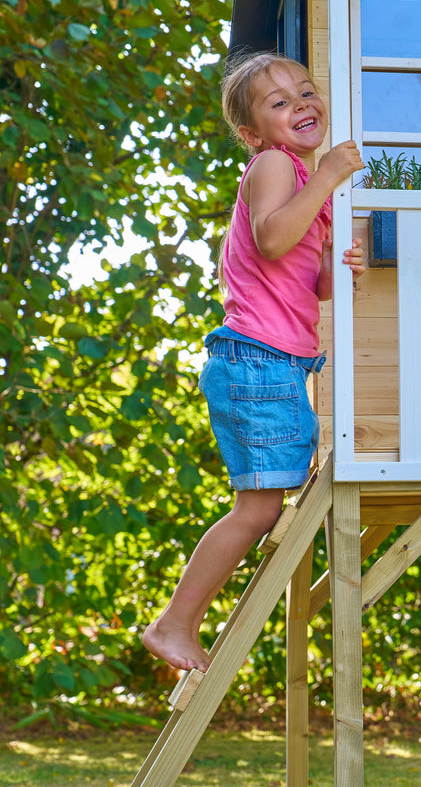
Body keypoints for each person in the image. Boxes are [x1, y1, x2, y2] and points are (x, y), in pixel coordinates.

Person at [142, 53, 365, 673]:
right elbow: (271, 237)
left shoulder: (302, 184)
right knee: (259, 508)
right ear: (251, 134)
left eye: (306, 92)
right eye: (279, 103)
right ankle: (174, 623)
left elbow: (297, 274)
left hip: (276, 365)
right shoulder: (275, 166)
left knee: (267, 504)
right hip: (258, 362)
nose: (301, 104)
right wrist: (328, 178)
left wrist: (337, 266)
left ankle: (178, 621)